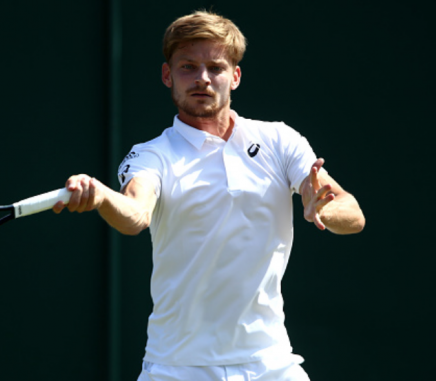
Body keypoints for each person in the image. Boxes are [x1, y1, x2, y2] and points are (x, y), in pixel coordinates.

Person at [53, 10, 365, 381]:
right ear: (168, 75)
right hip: (177, 368)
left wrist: (324, 211)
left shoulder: (281, 141)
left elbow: (352, 212)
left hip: (272, 364)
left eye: (215, 67)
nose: (202, 78)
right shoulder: (152, 155)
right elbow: (136, 215)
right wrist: (102, 197)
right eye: (187, 66)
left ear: (234, 77)